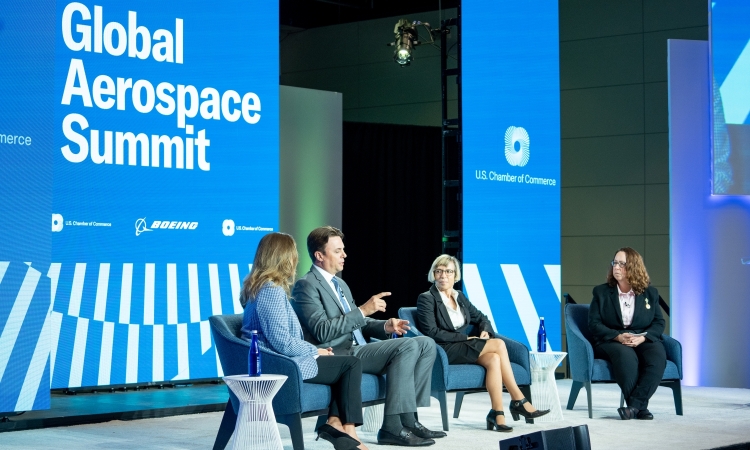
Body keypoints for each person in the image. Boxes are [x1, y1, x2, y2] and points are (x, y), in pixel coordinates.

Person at [292, 226, 443, 447]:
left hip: (359, 347)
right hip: (340, 354)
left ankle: (409, 418)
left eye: (343, 249)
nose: (345, 255)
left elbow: (359, 323)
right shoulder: (306, 285)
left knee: (426, 344)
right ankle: (392, 427)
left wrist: (386, 327)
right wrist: (363, 310)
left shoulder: (340, 284)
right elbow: (323, 330)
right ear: (319, 255)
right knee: (407, 347)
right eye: (338, 251)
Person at [240, 232, 367, 450]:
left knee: (344, 361)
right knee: (350, 363)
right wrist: (315, 351)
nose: (296, 259)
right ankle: (347, 430)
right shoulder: (270, 290)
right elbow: (282, 342)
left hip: (278, 360)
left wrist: (316, 351)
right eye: (293, 254)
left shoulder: (261, 288)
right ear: (283, 257)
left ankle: (336, 424)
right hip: (278, 365)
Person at [416, 254, 549, 432]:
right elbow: (432, 333)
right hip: (444, 349)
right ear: (433, 274)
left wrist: (485, 330)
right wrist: (466, 338)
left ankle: (497, 413)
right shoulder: (427, 298)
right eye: (439, 271)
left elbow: (481, 317)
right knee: (499, 345)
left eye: (448, 271)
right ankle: (518, 399)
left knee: (494, 358)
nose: (443, 275)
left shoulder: (459, 296)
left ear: (455, 275)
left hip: (462, 347)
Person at [588, 247, 666, 420]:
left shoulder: (650, 293)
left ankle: (633, 407)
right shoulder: (601, 292)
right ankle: (640, 408)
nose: (616, 267)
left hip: (641, 337)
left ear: (634, 267)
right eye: (615, 263)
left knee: (657, 358)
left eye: (622, 264)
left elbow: (659, 322)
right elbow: (594, 324)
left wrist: (643, 338)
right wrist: (617, 336)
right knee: (626, 356)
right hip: (611, 339)